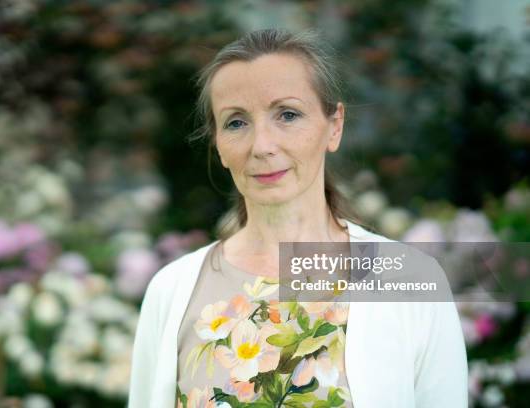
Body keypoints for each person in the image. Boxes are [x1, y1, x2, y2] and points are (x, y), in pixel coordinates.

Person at [128, 28, 468, 408]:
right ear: (218, 145)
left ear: (334, 125)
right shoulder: (172, 290)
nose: (262, 146)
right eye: (236, 122)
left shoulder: (410, 280)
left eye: (287, 115)